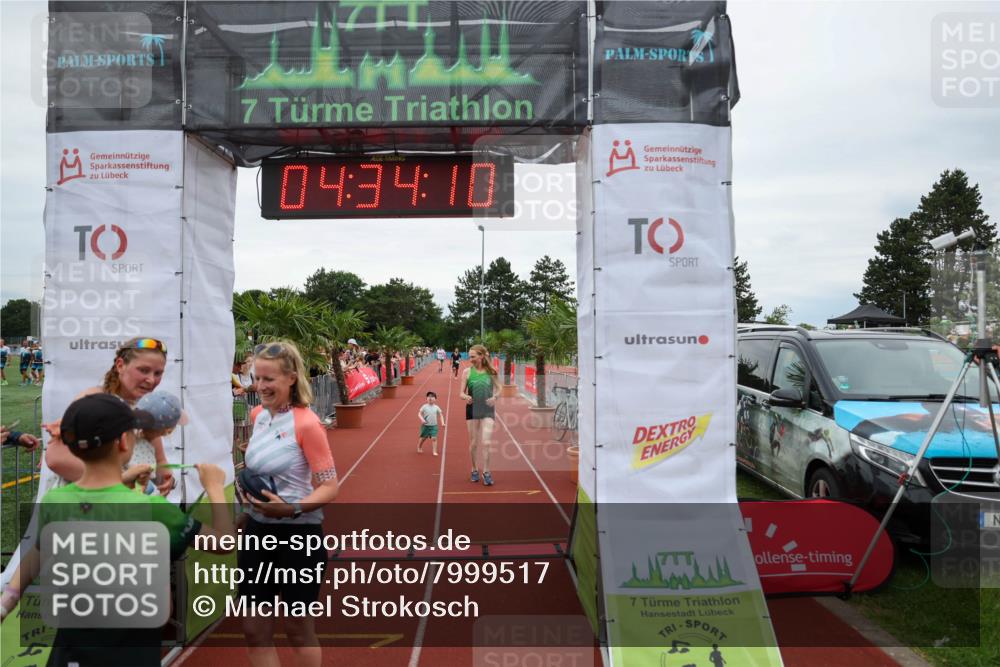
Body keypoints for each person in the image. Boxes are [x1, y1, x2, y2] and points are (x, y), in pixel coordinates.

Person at [0, 393, 234, 666]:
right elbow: (223, 544)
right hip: (128, 652)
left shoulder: (55, 501)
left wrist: (7, 602)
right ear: (125, 441)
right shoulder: (153, 509)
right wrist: (215, 487)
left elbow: (38, 555)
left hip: (69, 650)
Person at [237, 340, 339, 667]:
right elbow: (260, 467)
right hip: (256, 532)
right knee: (254, 630)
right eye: (257, 378)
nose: (260, 386)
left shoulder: (307, 424)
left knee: (297, 629)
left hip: (299, 536)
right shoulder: (258, 415)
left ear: (291, 378)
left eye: (269, 379)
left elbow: (329, 486)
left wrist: (291, 508)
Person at [45, 337, 174, 494]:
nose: (151, 380)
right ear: (120, 365)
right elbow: (56, 459)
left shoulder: (146, 411)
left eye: (158, 373)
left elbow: (160, 461)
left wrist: (167, 478)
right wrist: (119, 480)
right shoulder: (93, 400)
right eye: (143, 370)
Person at [459, 344, 502, 486]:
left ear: (481, 356)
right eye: (469, 356)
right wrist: (466, 397)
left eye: (473, 356)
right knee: (473, 443)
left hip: (487, 409)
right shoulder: (466, 372)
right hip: (472, 409)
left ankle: (487, 471)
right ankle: (474, 469)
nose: (470, 359)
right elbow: (461, 393)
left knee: (486, 442)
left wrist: (495, 397)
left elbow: (500, 388)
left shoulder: (492, 371)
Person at [417, 391, 445, 456]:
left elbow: (441, 415)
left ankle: (434, 451)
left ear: (435, 399)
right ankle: (419, 447)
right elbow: (419, 414)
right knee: (423, 438)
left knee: (434, 438)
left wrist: (443, 423)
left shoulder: (436, 407)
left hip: (434, 426)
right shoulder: (424, 406)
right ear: (426, 398)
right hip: (425, 426)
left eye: (432, 397)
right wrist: (422, 420)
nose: (430, 398)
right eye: (428, 396)